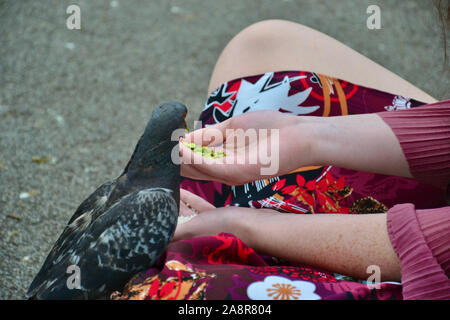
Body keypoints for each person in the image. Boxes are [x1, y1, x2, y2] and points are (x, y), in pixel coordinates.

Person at [114, 20, 450, 300]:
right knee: (263, 47)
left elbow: (434, 247)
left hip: (426, 272)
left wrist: (246, 226)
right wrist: (302, 134)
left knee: (176, 293)